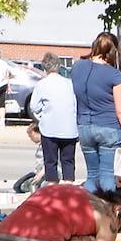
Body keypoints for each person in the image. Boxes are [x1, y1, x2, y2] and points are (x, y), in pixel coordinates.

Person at [71, 32, 121, 194]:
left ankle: (89, 212)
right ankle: (107, 214)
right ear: (114, 51)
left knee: (92, 176)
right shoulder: (114, 75)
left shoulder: (77, 68)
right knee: (107, 176)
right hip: (108, 127)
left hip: (84, 126)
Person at [28, 53, 79, 187]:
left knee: (50, 163)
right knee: (68, 162)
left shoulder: (42, 84)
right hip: (69, 129)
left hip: (50, 128)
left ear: (45, 67)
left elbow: (34, 106)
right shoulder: (69, 84)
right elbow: (76, 105)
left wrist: (42, 115)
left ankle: (53, 190)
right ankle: (68, 190)